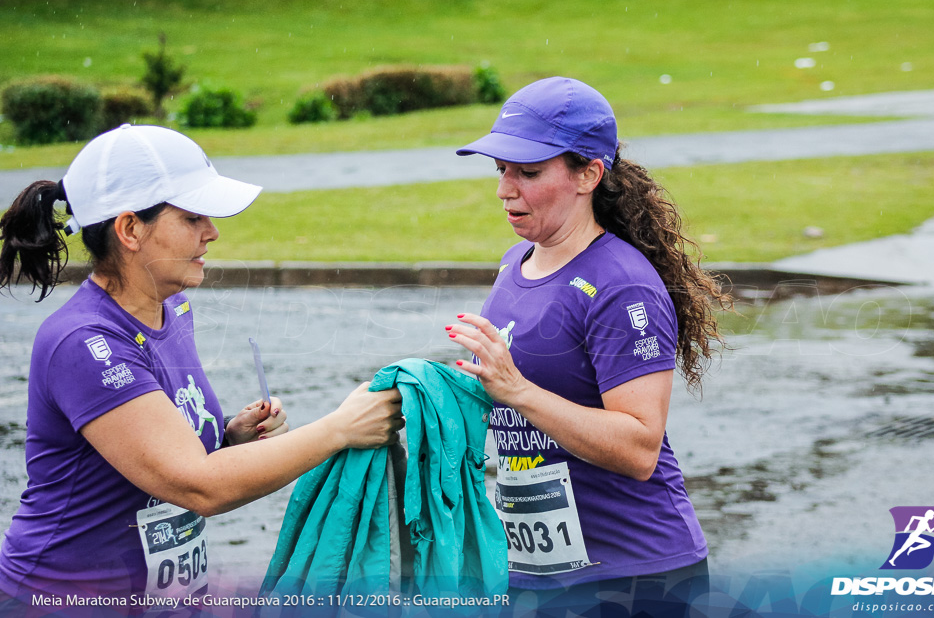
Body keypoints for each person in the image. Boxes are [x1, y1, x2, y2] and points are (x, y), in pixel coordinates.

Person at [0, 125, 404, 606]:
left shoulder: (172, 310)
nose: (212, 232)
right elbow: (198, 486)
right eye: (192, 217)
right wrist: (340, 429)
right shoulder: (84, 342)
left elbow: (169, 453)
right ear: (130, 229)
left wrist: (229, 438)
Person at [446, 77, 729, 616]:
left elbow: (639, 447)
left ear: (588, 174)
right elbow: (509, 394)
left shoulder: (621, 285)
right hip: (538, 571)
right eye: (501, 169)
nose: (506, 189)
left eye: (528, 172)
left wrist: (518, 391)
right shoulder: (515, 263)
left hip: (637, 576)